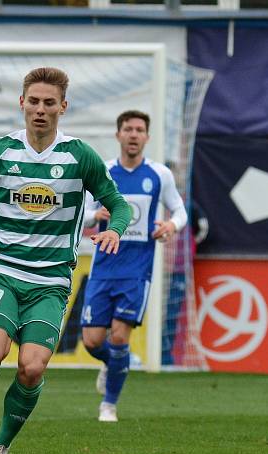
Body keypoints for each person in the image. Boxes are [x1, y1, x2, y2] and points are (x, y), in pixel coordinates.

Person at [0, 67, 131, 454]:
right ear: (22, 103)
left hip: (50, 281)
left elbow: (118, 205)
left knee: (32, 368)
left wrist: (115, 231)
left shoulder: (79, 156)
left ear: (62, 107)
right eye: (34, 101)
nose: (41, 109)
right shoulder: (0, 151)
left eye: (50, 103)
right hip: (3, 271)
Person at [80, 110, 187, 422]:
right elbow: (83, 212)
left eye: (139, 130)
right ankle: (113, 363)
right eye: (128, 129)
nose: (133, 134)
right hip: (103, 269)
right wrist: (94, 217)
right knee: (92, 341)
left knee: (120, 337)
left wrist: (171, 225)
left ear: (147, 137)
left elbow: (179, 210)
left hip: (136, 272)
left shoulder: (159, 175)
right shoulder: (104, 171)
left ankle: (108, 405)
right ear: (118, 134)